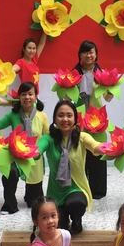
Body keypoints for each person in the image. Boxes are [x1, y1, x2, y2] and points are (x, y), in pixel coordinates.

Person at [37, 99, 104, 234]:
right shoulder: (49, 138)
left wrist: (114, 147)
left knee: (75, 204)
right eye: (61, 115)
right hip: (56, 192)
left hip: (76, 188)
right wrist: (28, 153)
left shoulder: (82, 137)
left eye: (69, 115)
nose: (65, 119)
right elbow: (38, 149)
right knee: (61, 230)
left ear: (75, 118)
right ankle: (64, 217)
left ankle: (76, 219)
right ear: (55, 119)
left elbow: (96, 146)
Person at [0, 82, 49, 214]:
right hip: (16, 156)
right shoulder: (13, 115)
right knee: (10, 174)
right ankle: (10, 204)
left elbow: (47, 137)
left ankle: (29, 194)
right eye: (24, 94)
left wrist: (39, 149)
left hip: (34, 156)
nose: (27, 97)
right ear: (19, 97)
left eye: (30, 94)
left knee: (34, 203)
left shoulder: (42, 116)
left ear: (35, 96)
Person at [74, 40, 112, 199]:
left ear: (96, 55)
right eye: (85, 52)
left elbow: (108, 98)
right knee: (80, 153)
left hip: (97, 119)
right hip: (79, 119)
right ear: (80, 55)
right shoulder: (74, 74)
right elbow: (67, 98)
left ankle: (98, 191)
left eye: (91, 52)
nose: (89, 55)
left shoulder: (101, 73)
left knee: (98, 152)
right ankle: (81, 189)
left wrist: (112, 88)